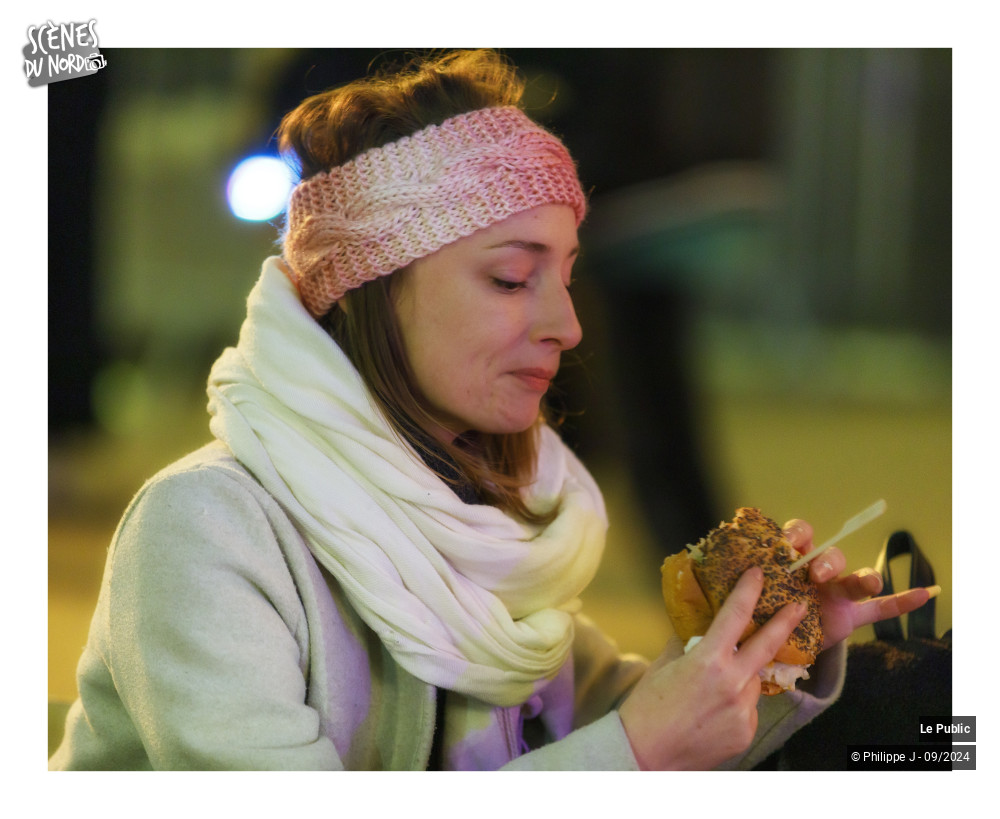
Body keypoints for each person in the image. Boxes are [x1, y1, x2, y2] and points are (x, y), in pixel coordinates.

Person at [48, 49, 934, 771]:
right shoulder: (206, 529)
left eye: (568, 276)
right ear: (371, 286)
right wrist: (635, 752)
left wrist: (767, 655)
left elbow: (606, 725)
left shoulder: (484, 516)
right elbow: (620, 752)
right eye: (512, 278)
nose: (568, 327)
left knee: (926, 704)